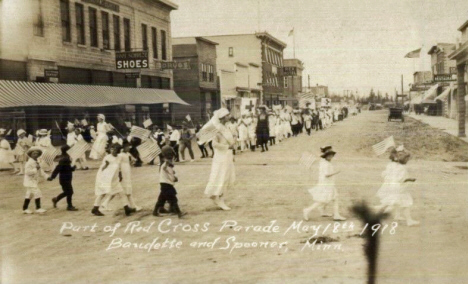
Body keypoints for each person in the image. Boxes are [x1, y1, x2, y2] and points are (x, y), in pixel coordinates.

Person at [375, 146, 419, 226]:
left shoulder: (390, 165)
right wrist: (409, 179)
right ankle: (380, 218)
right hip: (399, 188)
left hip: (390, 186)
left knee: (398, 202)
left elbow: (384, 174)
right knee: (398, 203)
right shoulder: (402, 168)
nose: (407, 160)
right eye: (406, 159)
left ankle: (400, 217)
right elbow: (401, 179)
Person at [303, 146, 346, 221]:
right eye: (329, 155)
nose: (331, 157)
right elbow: (326, 174)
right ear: (326, 156)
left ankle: (326, 212)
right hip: (326, 184)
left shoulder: (324, 162)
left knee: (332, 198)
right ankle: (307, 210)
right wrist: (337, 172)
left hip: (326, 183)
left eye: (332, 155)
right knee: (324, 200)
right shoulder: (325, 163)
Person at [204, 108, 236, 210]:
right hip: (220, 157)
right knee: (220, 176)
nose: (228, 117)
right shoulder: (217, 129)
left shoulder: (225, 127)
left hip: (227, 156)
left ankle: (221, 198)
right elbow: (214, 144)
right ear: (222, 118)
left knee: (226, 177)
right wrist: (227, 147)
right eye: (227, 115)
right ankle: (217, 197)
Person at [92, 144, 134, 216]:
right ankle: (95, 208)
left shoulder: (119, 157)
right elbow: (102, 169)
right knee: (103, 193)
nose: (113, 151)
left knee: (121, 193)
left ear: (118, 150)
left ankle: (127, 208)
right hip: (107, 178)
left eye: (115, 149)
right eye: (111, 149)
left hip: (115, 179)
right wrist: (106, 165)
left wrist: (120, 174)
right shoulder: (107, 158)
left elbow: (120, 165)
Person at [101, 141, 141, 212]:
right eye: (127, 146)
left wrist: (133, 160)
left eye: (129, 146)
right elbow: (117, 164)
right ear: (124, 147)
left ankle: (105, 203)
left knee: (119, 190)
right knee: (125, 190)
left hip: (127, 172)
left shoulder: (127, 154)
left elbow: (132, 161)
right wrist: (119, 174)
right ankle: (133, 206)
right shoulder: (120, 155)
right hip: (123, 173)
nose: (129, 148)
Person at [153, 153, 186, 218]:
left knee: (161, 199)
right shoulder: (165, 165)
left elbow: (170, 174)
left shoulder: (168, 166)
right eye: (169, 159)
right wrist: (174, 178)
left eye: (171, 159)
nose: (170, 160)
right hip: (166, 184)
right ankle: (179, 213)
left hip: (165, 184)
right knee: (173, 199)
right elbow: (167, 171)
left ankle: (155, 211)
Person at [48, 145, 78, 211]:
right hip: (64, 179)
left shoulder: (65, 157)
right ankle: (69, 206)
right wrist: (52, 177)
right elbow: (58, 168)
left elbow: (66, 168)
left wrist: (73, 168)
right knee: (69, 192)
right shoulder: (64, 159)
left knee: (67, 192)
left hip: (66, 178)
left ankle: (56, 199)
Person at [22, 146, 49, 214]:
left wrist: (47, 177)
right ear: (30, 154)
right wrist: (35, 169)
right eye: (34, 153)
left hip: (34, 181)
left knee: (29, 194)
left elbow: (40, 171)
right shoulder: (29, 163)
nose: (35, 155)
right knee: (37, 192)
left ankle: (25, 208)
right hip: (29, 181)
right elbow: (27, 172)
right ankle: (38, 208)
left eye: (37, 153)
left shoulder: (37, 162)